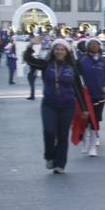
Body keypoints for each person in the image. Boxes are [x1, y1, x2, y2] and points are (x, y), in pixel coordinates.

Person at [25, 39, 88, 174]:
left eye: (62, 49)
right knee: (49, 131)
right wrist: (31, 44)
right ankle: (49, 156)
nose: (59, 51)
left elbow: (78, 89)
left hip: (67, 105)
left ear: (67, 52)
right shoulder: (46, 64)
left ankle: (60, 164)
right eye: (57, 49)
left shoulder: (72, 67)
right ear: (53, 51)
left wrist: (84, 108)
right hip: (49, 104)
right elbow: (29, 59)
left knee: (62, 135)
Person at [78, 37, 105, 156]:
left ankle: (93, 146)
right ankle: (85, 142)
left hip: (99, 95)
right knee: (85, 120)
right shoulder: (82, 60)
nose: (93, 46)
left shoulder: (104, 61)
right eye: (91, 44)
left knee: (95, 120)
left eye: (95, 44)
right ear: (87, 47)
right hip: (85, 95)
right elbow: (77, 75)